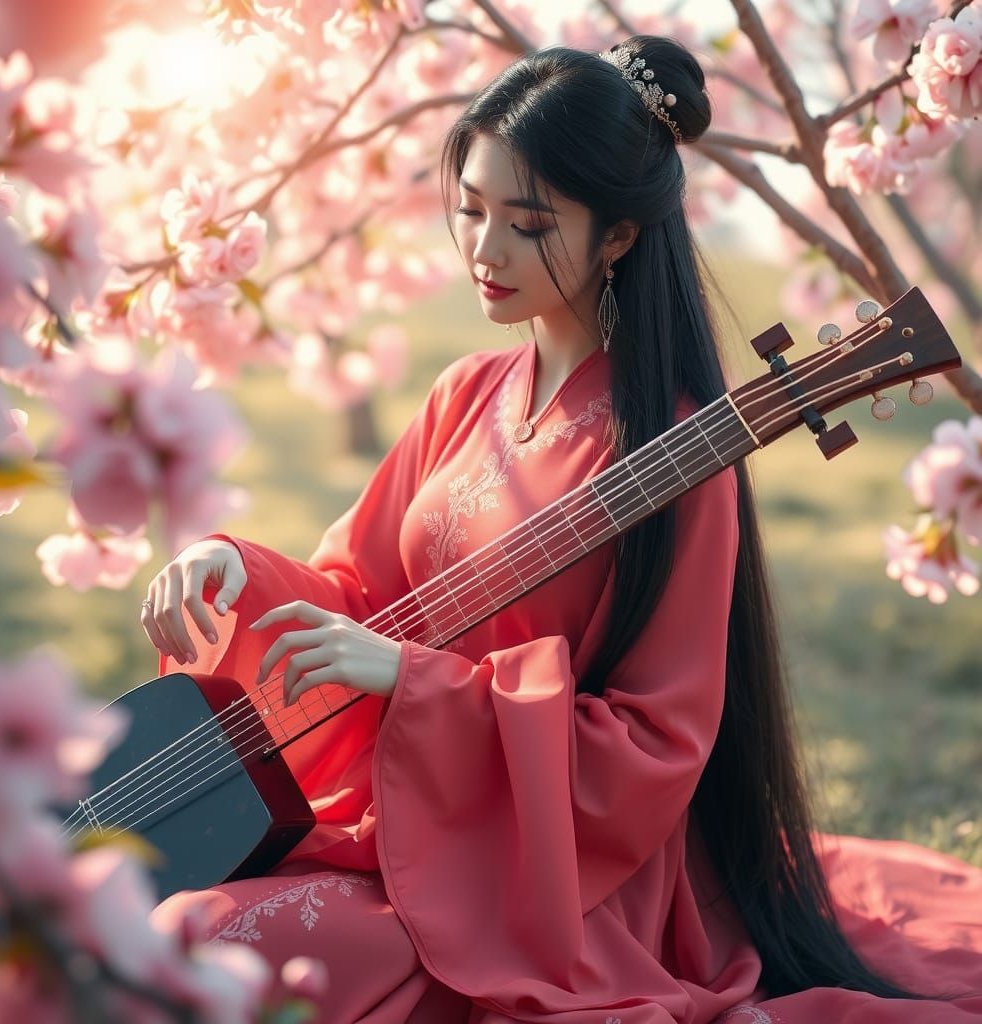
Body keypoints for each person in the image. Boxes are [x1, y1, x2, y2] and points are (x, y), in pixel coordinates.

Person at [142, 35, 982, 1024]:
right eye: (471, 210)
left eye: (528, 223)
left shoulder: (675, 451)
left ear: (618, 236)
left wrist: (413, 683)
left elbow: (653, 740)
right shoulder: (466, 393)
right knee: (154, 920)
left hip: (549, 880)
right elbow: (361, 592)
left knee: (196, 943)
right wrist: (230, 569)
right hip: (406, 814)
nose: (485, 251)